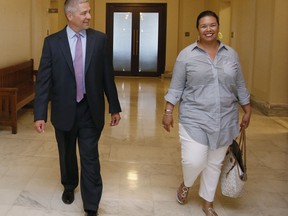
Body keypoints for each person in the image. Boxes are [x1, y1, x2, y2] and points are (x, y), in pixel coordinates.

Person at [33, 0, 121, 215]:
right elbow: (44, 80)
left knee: (90, 155)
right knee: (67, 153)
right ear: (69, 16)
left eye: (89, 12)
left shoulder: (99, 40)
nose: (89, 16)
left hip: (90, 109)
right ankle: (69, 185)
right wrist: (40, 113)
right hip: (64, 110)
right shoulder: (52, 43)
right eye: (84, 13)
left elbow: (107, 75)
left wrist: (114, 107)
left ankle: (91, 206)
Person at [162, 10, 251, 216]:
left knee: (214, 163)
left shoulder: (231, 54)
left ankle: (208, 203)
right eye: (204, 26)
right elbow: (176, 87)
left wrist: (246, 108)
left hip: (226, 118)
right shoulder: (186, 55)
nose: (208, 29)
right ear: (198, 29)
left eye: (212, 25)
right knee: (194, 160)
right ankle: (186, 183)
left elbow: (239, 84)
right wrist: (168, 111)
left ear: (218, 27)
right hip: (194, 117)